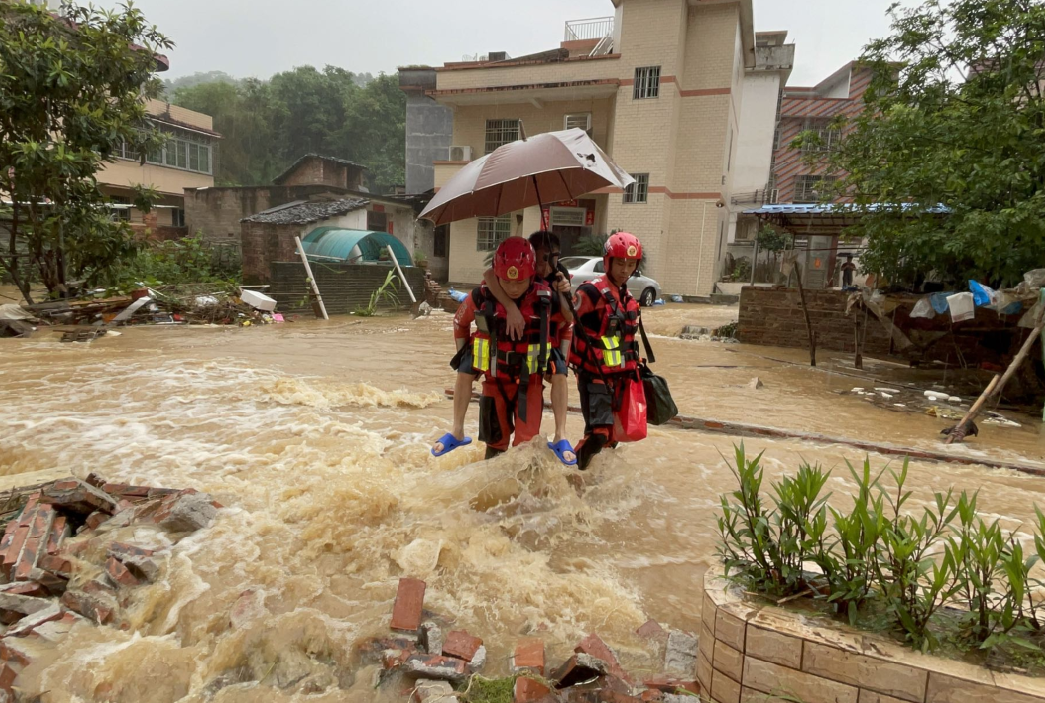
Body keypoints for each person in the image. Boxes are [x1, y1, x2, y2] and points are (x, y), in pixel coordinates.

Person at [432, 237, 566, 460]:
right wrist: (467, 359)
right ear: (497, 276)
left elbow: (567, 322)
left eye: (520, 282)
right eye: (507, 281)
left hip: (530, 384)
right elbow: (459, 322)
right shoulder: (481, 296)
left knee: (527, 451)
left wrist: (558, 364)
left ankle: (527, 494)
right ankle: (489, 492)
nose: (513, 287)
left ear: (532, 275)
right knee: (494, 448)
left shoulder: (547, 298)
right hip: (494, 383)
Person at [482, 231, 575, 465]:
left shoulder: (556, 280)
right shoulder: (505, 278)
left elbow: (567, 317)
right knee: (495, 443)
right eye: (539, 258)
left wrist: (563, 290)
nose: (543, 265)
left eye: (548, 259)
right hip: (501, 374)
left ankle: (560, 433)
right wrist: (511, 308)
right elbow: (488, 276)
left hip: (537, 360)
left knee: (526, 443)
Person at [568, 232, 645, 470]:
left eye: (630, 265)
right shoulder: (590, 292)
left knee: (611, 439)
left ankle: (591, 481)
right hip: (594, 376)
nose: (625, 270)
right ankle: (570, 473)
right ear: (608, 261)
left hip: (621, 379)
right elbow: (565, 325)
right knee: (599, 433)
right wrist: (557, 364)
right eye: (620, 263)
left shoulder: (628, 297)